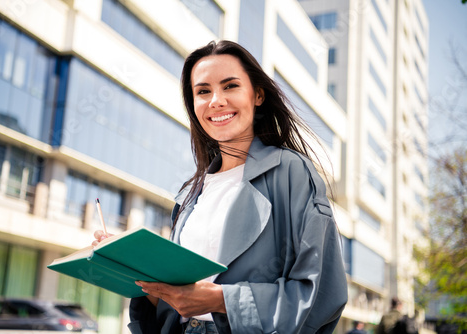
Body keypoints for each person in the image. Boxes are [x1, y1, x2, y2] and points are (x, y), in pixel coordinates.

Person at [94, 40, 348, 333]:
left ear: (258, 95)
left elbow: (322, 294)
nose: (216, 100)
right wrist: (133, 267)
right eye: (203, 91)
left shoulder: (290, 171)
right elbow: (175, 303)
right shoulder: (192, 194)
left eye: (230, 86)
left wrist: (221, 300)